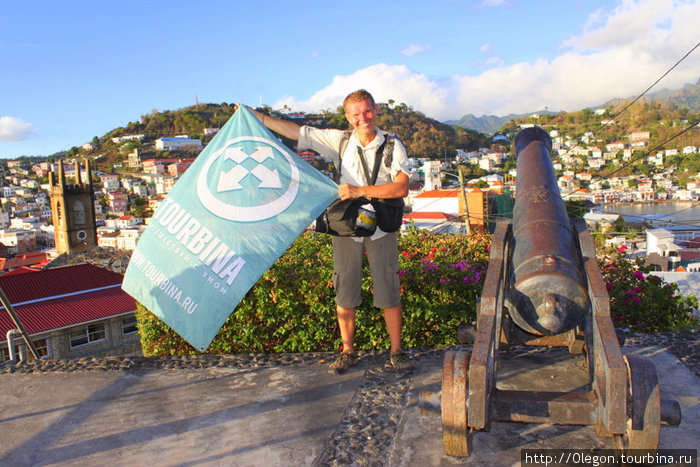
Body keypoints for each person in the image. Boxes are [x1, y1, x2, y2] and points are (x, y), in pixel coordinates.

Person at [239, 90, 412, 373]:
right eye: (355, 114)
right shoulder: (340, 141)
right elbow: (297, 132)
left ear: (376, 110)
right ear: (347, 117)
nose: (362, 118)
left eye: (367, 111)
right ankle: (348, 351)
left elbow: (401, 187)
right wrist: (256, 116)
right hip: (347, 228)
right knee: (345, 289)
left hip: (381, 227)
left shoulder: (393, 145)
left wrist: (360, 190)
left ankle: (397, 351)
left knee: (388, 288)